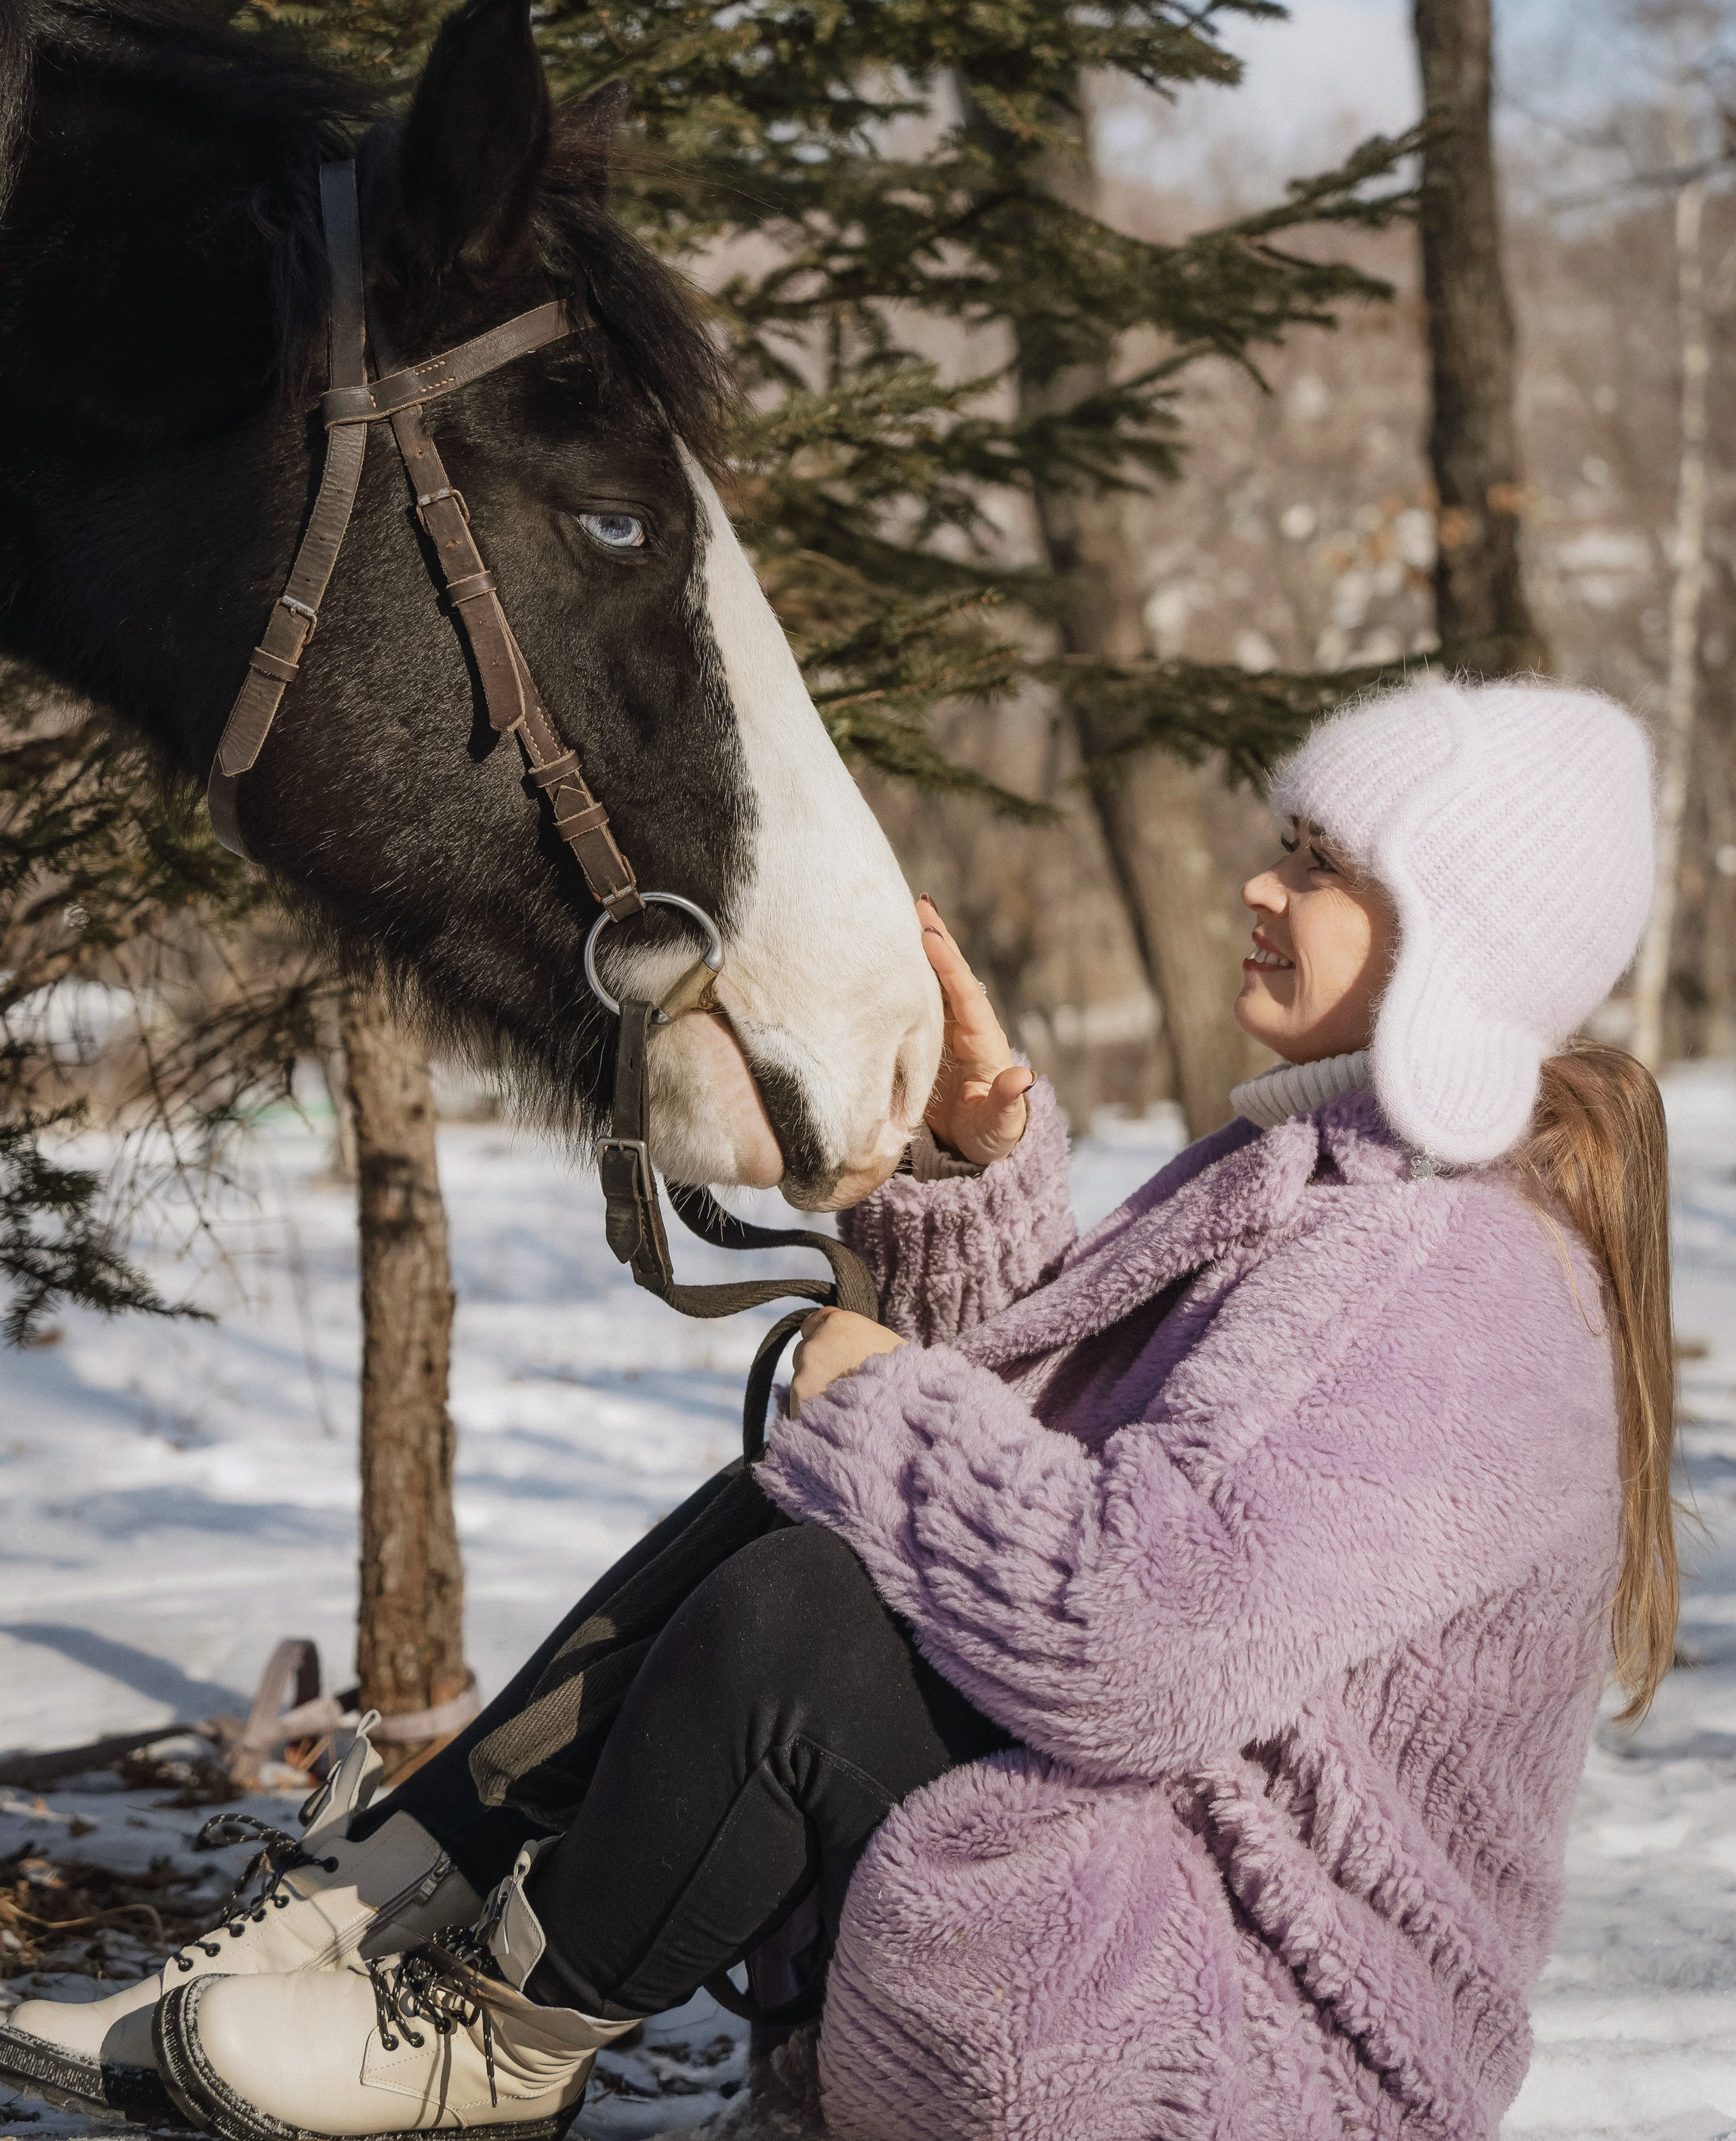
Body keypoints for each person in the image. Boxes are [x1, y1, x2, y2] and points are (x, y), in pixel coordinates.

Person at [3, 675, 1676, 2141]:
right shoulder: (1327, 1179)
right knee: (808, 1502)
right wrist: (964, 1167)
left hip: (1234, 2047)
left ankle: (500, 2033)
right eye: (1283, 842)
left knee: (813, 1595)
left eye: (1320, 865)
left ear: (1445, 933)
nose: (1260, 883)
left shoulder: (1440, 1271)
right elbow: (1067, 1456)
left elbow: (1134, 1633)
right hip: (1153, 1913)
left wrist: (881, 1411)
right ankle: (382, 1906)